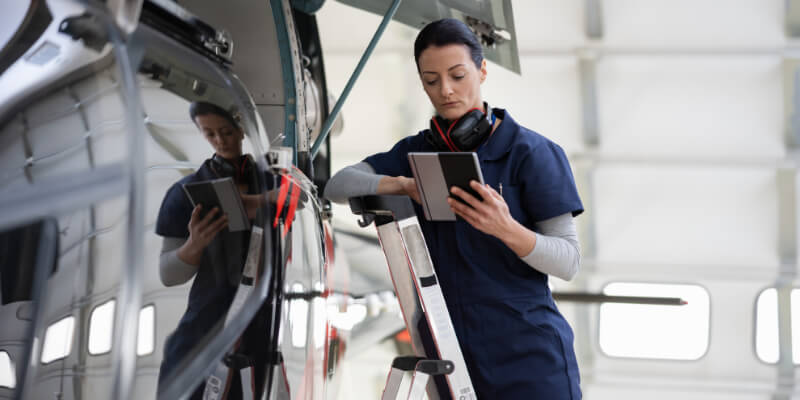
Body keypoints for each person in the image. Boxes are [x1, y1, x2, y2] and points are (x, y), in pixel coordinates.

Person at [324, 19, 583, 399]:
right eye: (431, 80)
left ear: (481, 70)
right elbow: (338, 185)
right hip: (451, 357)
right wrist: (403, 184)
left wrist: (505, 228)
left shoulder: (533, 154)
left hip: (529, 358)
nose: (445, 90)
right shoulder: (416, 152)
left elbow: (568, 261)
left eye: (458, 75)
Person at [154, 101, 265, 399]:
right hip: (205, 326)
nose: (220, 140)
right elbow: (168, 274)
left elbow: (299, 199)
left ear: (243, 128)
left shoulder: (272, 181)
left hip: (262, 325)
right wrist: (194, 245)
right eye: (210, 134)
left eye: (226, 131)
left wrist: (259, 202)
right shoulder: (184, 193)